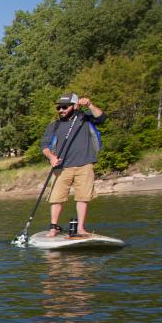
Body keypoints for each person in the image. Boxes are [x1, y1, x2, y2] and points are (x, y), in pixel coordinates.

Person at [41, 93, 105, 237]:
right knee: (56, 198)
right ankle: (53, 228)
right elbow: (44, 145)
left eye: (64, 107)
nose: (61, 110)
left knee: (83, 197)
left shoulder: (85, 118)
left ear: (75, 106)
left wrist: (89, 105)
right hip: (62, 167)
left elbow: (101, 117)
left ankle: (80, 228)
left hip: (85, 164)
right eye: (59, 108)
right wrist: (51, 157)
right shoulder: (54, 125)